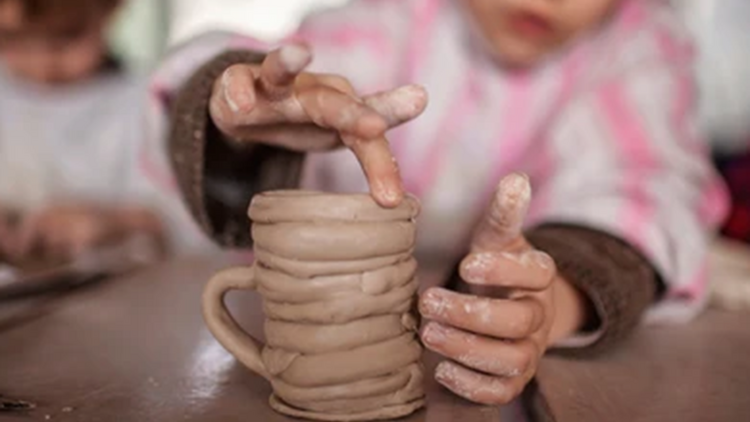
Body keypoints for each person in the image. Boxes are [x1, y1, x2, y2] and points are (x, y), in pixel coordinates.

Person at [155, 0, 728, 405]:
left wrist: (552, 297)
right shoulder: (388, 19)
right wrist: (240, 112)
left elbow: (644, 185)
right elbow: (267, 77)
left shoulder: (638, 44)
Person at [0, 0, 211, 264]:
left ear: (110, 9)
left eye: (65, 37)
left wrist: (116, 224)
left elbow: (193, 230)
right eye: (11, 40)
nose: (41, 65)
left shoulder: (145, 105)